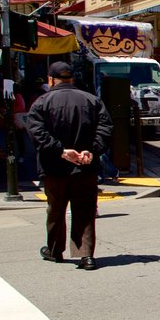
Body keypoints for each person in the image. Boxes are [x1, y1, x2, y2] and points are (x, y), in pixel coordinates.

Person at [25, 61, 113, 271]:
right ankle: (86, 255)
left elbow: (36, 132)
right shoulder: (92, 100)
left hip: (54, 166)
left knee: (55, 209)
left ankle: (55, 250)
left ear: (51, 80)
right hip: (85, 166)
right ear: (71, 78)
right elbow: (106, 128)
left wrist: (61, 151)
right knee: (84, 210)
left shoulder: (41, 102)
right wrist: (92, 151)